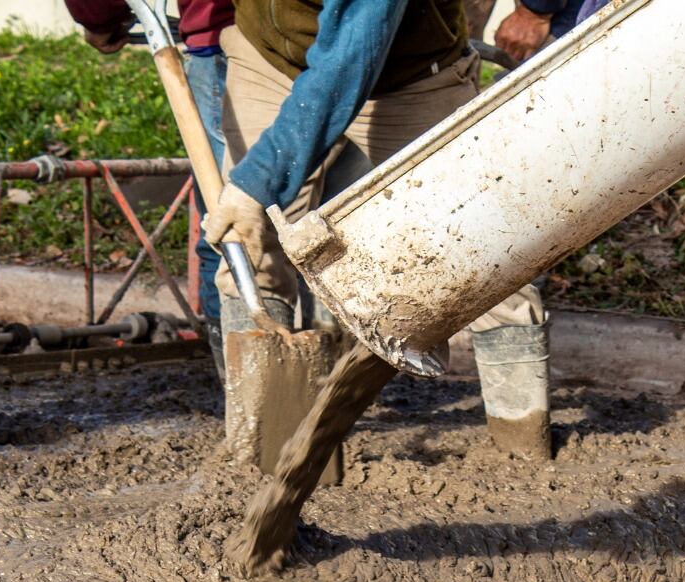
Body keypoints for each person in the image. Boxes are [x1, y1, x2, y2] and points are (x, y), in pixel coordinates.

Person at [201, 0, 553, 458]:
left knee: (485, 254)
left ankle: (522, 443)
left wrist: (256, 181)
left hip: (410, 73)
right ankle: (260, 452)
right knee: (249, 246)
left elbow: (348, 57)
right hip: (270, 58)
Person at [69, 0, 236, 375]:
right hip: (332, 39)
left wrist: (99, 17)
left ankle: (246, 385)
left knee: (229, 225)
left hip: (224, 39)